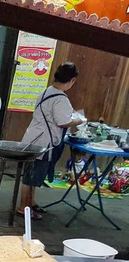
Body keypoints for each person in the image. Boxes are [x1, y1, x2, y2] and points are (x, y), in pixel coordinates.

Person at [19, 62, 83, 220]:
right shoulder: (60, 98)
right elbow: (62, 121)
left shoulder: (48, 91)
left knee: (33, 175)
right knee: (31, 177)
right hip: (42, 142)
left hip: (34, 137)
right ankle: (23, 208)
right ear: (72, 80)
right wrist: (79, 120)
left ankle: (31, 203)